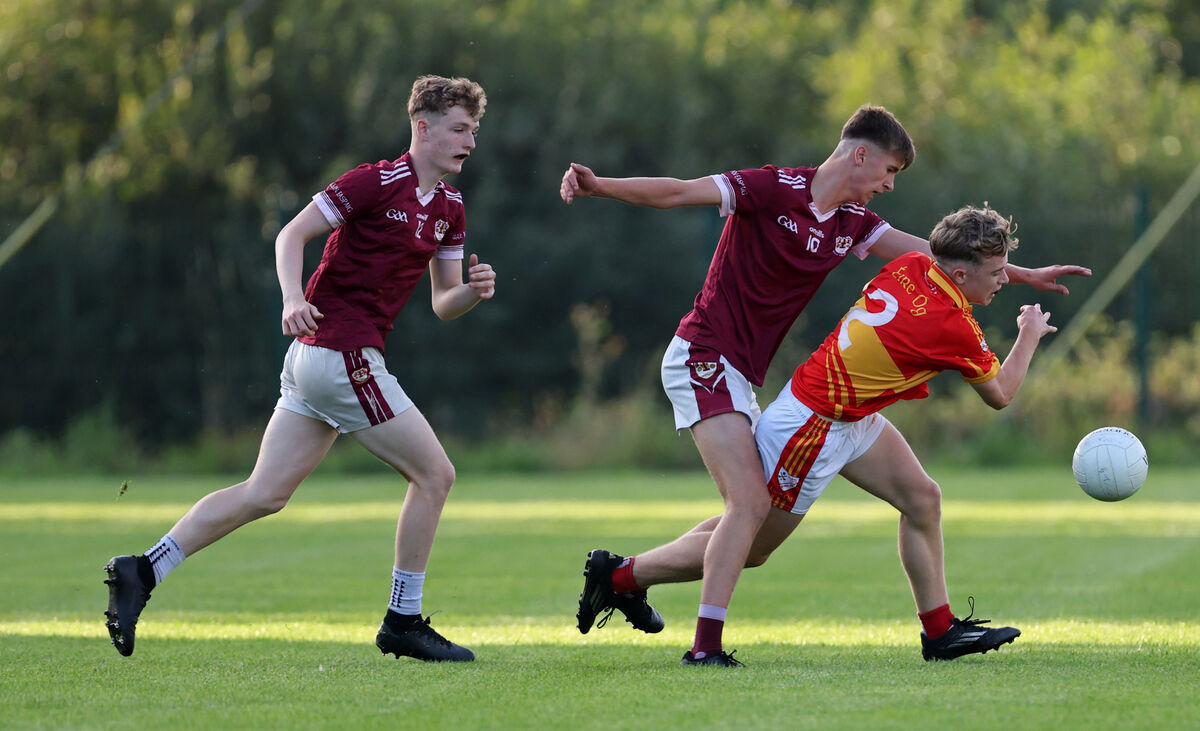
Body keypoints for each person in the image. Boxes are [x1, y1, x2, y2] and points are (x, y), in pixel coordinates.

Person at [561, 105, 1089, 666]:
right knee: (748, 508)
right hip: (705, 354)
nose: (888, 185)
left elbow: (938, 257)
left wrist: (1023, 273)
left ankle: (939, 632)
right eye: (889, 171)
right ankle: (702, 647)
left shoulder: (852, 223)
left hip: (786, 386)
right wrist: (601, 187)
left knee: (915, 498)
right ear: (860, 154)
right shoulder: (771, 188)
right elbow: (676, 192)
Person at [103, 75, 496, 663]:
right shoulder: (373, 181)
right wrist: (292, 298)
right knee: (435, 475)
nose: (469, 141)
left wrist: (473, 292)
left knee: (264, 493)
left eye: (474, 131)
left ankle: (143, 569)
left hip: (325, 362)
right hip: (340, 354)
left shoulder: (450, 208)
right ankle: (403, 618)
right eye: (460, 129)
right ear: (423, 128)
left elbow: (443, 303)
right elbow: (293, 234)